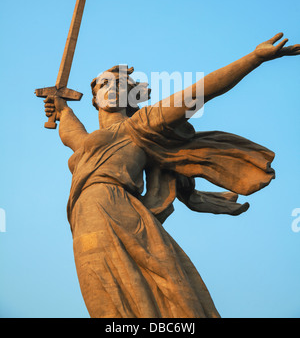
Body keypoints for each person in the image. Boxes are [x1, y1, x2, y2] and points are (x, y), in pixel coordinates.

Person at [44, 32, 299, 318]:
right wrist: (62, 108)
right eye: (104, 84)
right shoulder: (93, 141)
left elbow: (199, 92)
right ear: (94, 98)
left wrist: (253, 59)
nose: (112, 88)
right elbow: (73, 135)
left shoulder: (141, 125)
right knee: (104, 298)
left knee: (163, 294)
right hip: (84, 215)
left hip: (120, 210)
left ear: (131, 96)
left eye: (120, 85)